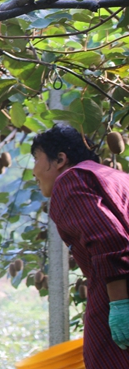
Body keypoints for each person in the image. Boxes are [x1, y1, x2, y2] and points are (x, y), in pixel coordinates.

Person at [31, 124, 129, 367]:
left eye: (36, 159)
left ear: (60, 159)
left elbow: (110, 240)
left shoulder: (70, 181)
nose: (33, 172)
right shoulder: (116, 178)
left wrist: (119, 303)